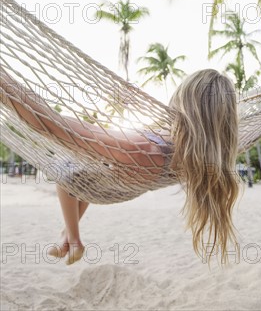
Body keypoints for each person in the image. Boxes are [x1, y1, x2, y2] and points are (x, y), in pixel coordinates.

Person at [1, 68, 241, 265]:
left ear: (182, 104)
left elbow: (52, 125)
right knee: (78, 176)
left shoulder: (146, 150)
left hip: (108, 177)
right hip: (112, 182)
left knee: (65, 168)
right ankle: (69, 237)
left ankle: (71, 237)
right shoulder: (192, 155)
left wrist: (6, 84)